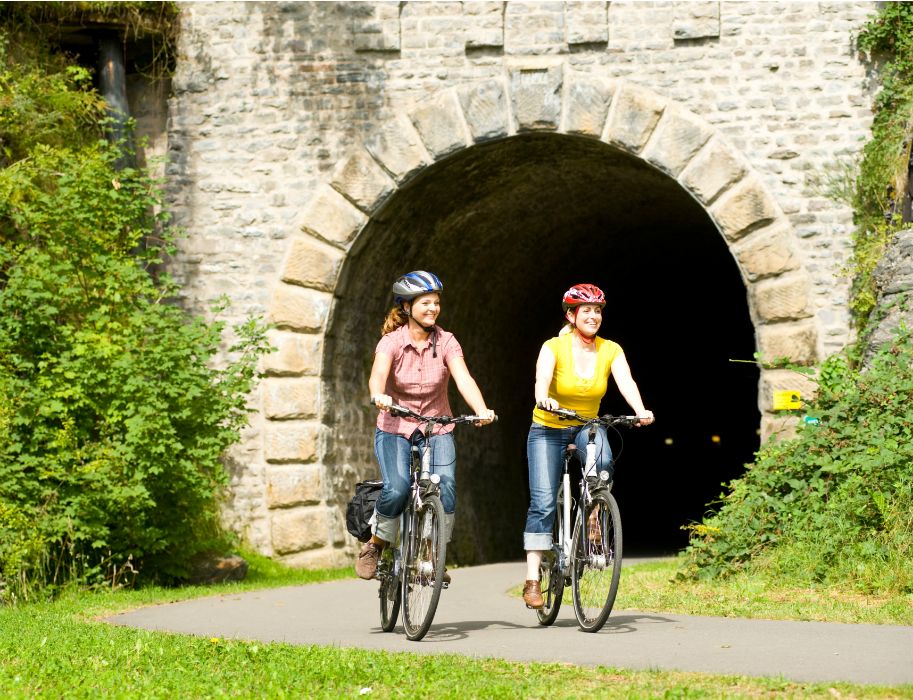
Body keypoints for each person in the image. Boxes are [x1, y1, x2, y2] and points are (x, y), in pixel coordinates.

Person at [521, 283, 654, 609]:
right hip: (548, 427)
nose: (594, 316)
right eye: (587, 311)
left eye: (598, 311)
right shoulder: (553, 346)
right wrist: (543, 397)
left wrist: (640, 411)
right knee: (543, 503)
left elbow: (627, 381)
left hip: (586, 425)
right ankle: (533, 579)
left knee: (604, 463)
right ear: (571, 315)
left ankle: (594, 516)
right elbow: (542, 379)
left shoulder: (611, 349)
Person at [356, 270, 496, 581]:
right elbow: (377, 375)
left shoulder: (446, 341)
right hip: (395, 426)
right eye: (425, 303)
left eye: (435, 303)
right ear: (406, 308)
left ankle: (435, 553)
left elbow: (464, 378)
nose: (432, 308)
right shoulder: (391, 342)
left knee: (445, 484)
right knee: (397, 488)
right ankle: (376, 544)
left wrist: (481, 408)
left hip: (437, 427)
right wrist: (378, 394)